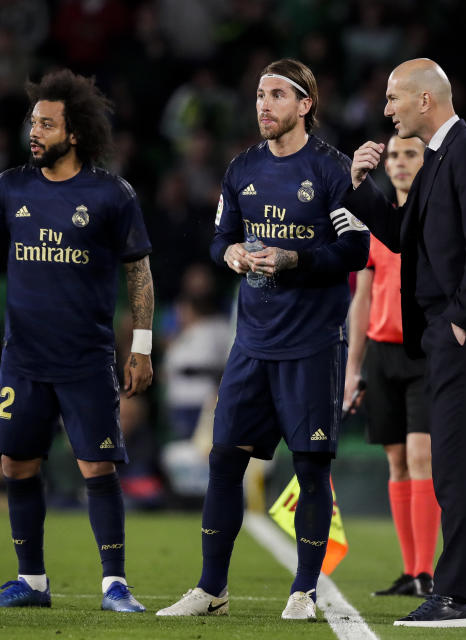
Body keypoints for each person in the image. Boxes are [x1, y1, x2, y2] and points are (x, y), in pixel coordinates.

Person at [157, 58, 370, 621]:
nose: (264, 105)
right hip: (252, 342)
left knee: (310, 466)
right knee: (224, 459)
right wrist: (229, 253)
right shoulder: (241, 168)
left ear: (305, 105)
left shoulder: (334, 171)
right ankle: (211, 590)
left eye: (278, 94)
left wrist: (294, 258)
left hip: (312, 342)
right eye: (259, 94)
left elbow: (355, 253)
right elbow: (222, 236)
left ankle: (304, 589)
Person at [345, 58, 466, 628]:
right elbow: (402, 235)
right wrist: (361, 187)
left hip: (463, 335)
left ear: (426, 100)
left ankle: (456, 597)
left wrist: (460, 320)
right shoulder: (442, 156)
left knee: (453, 467)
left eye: (394, 97)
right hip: (450, 333)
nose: (386, 108)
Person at [0, 69, 154, 613]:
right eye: (33, 121)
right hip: (22, 359)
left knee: (97, 468)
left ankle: (115, 584)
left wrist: (140, 345)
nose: (35, 130)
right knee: (16, 467)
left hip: (86, 361)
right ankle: (33, 582)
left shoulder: (111, 194)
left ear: (74, 134)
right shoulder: (9, 187)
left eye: (47, 123)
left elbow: (138, 274)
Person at [343, 134, 440, 598]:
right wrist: (352, 367)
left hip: (424, 354)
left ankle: (426, 572)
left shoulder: (436, 217)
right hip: (381, 354)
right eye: (394, 156)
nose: (400, 163)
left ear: (426, 162)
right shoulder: (375, 223)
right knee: (397, 461)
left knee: (421, 458)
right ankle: (411, 571)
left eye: (410, 155)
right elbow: (362, 297)